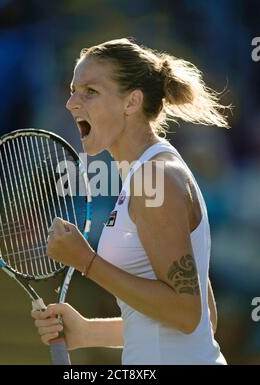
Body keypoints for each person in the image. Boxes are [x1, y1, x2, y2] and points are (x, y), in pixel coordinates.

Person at [31, 38, 230, 364]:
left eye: (90, 91)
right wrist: (85, 332)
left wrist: (86, 261)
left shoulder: (156, 179)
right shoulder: (146, 175)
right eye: (72, 89)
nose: (70, 103)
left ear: (132, 102)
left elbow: (186, 314)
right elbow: (203, 321)